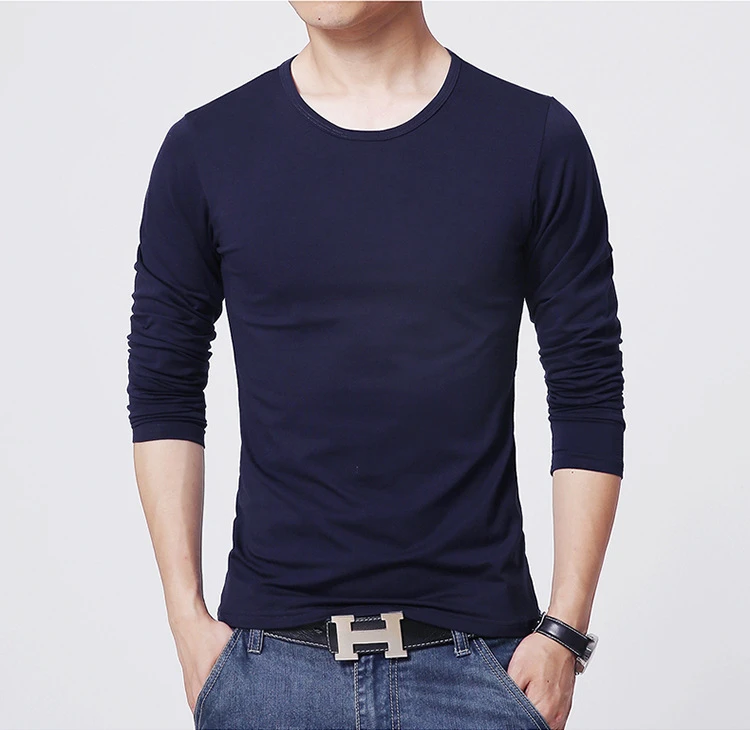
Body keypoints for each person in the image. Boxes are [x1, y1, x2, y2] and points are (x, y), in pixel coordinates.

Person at [126, 2, 624, 729]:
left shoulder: (533, 139)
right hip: (268, 675)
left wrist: (564, 633)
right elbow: (164, 389)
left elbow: (586, 388)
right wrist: (186, 622)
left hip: (478, 671)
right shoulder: (207, 149)